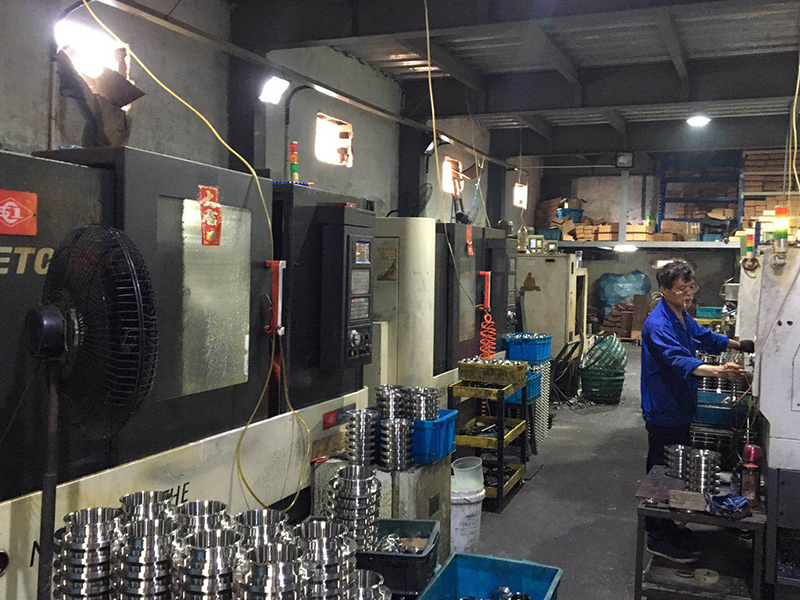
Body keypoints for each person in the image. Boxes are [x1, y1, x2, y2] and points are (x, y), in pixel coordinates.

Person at [641, 261, 754, 563]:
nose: (688, 293)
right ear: (664, 290)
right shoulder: (658, 323)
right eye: (681, 289)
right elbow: (678, 359)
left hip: (681, 404)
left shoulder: (681, 314)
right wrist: (718, 371)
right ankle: (656, 535)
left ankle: (671, 526)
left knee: (677, 470)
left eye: (691, 287)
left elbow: (704, 336)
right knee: (661, 471)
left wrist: (739, 344)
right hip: (664, 406)